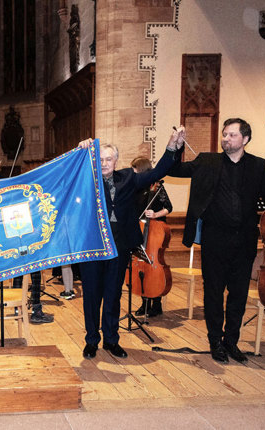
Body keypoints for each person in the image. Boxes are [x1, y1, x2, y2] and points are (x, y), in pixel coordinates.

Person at [168, 118, 265, 364]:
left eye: (231, 135)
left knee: (238, 294)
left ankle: (232, 343)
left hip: (245, 240)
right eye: (224, 134)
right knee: (214, 293)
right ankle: (215, 342)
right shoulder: (207, 161)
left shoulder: (259, 166)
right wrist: (174, 147)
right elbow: (176, 170)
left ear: (245, 139)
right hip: (215, 238)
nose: (225, 139)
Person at [78, 129, 185, 360]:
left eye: (108, 159)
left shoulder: (128, 178)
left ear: (116, 161)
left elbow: (158, 171)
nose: (104, 163)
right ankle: (91, 341)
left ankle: (111, 340)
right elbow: (67, 175)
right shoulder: (86, 180)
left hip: (119, 248)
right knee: (92, 297)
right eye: (100, 159)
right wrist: (81, 151)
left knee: (113, 295)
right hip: (92, 249)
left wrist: (172, 147)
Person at [0, 151, 53, 324]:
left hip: (14, 225)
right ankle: (20, 305)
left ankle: (29, 306)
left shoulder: (5, 178)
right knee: (17, 265)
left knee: (27, 263)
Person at [130, 156, 173, 317]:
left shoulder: (157, 188)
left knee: (154, 263)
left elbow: (169, 207)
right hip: (140, 228)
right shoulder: (135, 187)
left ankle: (156, 304)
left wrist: (155, 214)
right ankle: (144, 302)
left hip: (156, 229)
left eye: (135, 171)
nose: (133, 174)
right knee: (141, 264)